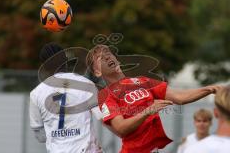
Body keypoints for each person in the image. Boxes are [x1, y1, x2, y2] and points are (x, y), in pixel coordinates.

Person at [85, 44, 221, 153]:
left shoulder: (143, 81)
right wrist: (148, 111)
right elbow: (120, 128)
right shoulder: (106, 95)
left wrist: (209, 89)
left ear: (117, 59)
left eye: (108, 53)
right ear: (97, 72)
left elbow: (180, 97)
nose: (107, 57)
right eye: (100, 58)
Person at [29, 43, 103, 153]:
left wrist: (61, 136)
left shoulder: (36, 93)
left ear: (44, 65)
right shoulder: (87, 85)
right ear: (66, 59)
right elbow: (103, 117)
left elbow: (40, 136)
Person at [184, 86, 230, 153]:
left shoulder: (193, 149)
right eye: (198, 121)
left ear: (215, 113)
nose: (201, 124)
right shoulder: (187, 142)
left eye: (205, 121)